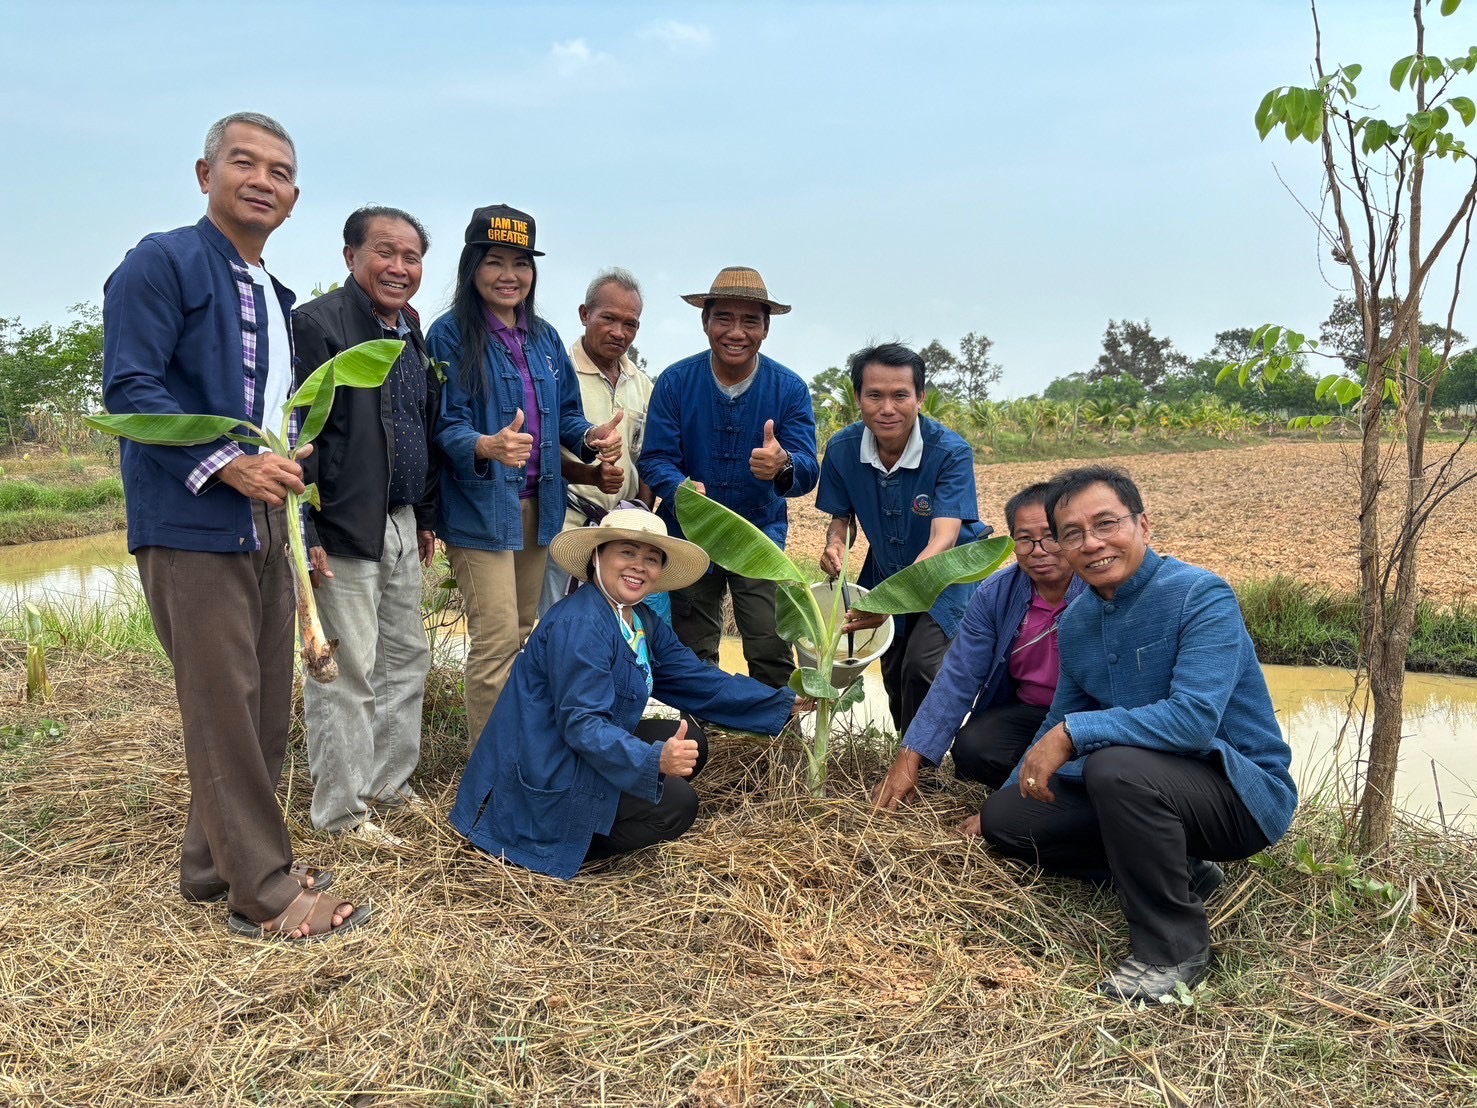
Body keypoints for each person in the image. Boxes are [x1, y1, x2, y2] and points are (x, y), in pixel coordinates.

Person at [101, 112, 368, 940]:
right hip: (191, 521)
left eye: (279, 172)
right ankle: (264, 894)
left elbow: (272, 420)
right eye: (243, 162)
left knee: (258, 708)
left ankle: (213, 866)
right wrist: (229, 464)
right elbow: (132, 389)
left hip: (263, 524)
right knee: (221, 709)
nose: (263, 180)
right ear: (204, 174)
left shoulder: (273, 295)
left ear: (294, 198)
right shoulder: (163, 262)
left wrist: (289, 490)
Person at [976, 466, 1297, 1001]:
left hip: (1237, 793)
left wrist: (1076, 733)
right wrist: (1011, 789)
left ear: (1142, 525)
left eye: (1106, 524)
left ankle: (1173, 950)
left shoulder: (1201, 595)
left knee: (1114, 765)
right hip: (1145, 786)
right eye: (1072, 533)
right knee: (1008, 820)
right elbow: (1058, 718)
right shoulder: (1077, 621)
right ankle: (1184, 872)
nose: (1092, 543)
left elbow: (1194, 720)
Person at [449, 508, 801, 878]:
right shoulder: (581, 624)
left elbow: (696, 679)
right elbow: (582, 725)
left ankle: (597, 814)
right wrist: (652, 761)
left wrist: (782, 703)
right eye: (627, 553)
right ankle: (557, 843)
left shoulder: (640, 618)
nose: (639, 566)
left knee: (691, 741)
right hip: (545, 764)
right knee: (677, 806)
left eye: (652, 559)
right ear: (597, 557)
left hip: (573, 748)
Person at [429, 204, 625, 750]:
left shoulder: (544, 337)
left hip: (541, 507)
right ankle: (487, 772)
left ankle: (514, 754)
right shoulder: (450, 335)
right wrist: (486, 445)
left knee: (520, 633)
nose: (509, 275)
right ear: (472, 266)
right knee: (495, 642)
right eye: (495, 261)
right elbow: (444, 423)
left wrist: (591, 436)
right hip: (480, 507)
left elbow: (566, 414)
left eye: (521, 263)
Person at [290, 205, 438, 846]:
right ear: (350, 256)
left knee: (405, 659)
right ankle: (341, 814)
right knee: (347, 673)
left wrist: (425, 515)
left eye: (411, 257)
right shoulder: (317, 325)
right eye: (385, 252)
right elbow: (298, 433)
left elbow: (416, 427)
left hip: (400, 520)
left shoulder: (412, 330)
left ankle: (387, 785)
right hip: (344, 524)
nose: (399, 267)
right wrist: (307, 529)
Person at [639, 267, 819, 687]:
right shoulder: (675, 382)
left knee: (770, 644)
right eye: (724, 318)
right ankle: (700, 725)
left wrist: (783, 465)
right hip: (690, 534)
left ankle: (775, 723)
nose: (736, 332)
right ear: (705, 322)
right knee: (691, 650)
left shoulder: (790, 389)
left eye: (750, 321)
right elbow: (656, 458)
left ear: (765, 329)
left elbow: (808, 468)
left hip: (759, 536)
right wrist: (679, 488)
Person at [871, 482, 1085, 806]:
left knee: (1098, 764)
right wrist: (908, 756)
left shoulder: (1097, 590)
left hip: (1084, 715)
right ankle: (1043, 785)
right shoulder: (995, 594)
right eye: (1025, 539)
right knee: (972, 749)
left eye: (1050, 536)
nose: (1038, 550)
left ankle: (1063, 789)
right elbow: (959, 676)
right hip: (1029, 710)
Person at [816, 342, 989, 734]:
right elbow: (841, 519)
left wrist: (892, 601)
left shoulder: (950, 452)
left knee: (922, 666)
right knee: (893, 670)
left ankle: (923, 758)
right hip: (885, 569)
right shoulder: (842, 449)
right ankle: (904, 751)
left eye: (900, 395)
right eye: (874, 395)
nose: (887, 408)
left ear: (920, 397)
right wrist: (834, 544)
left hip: (944, 575)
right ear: (857, 397)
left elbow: (944, 539)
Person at [538, 267, 655, 616]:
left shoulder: (642, 385)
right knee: (560, 625)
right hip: (568, 531)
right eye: (608, 318)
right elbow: (539, 455)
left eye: (630, 323)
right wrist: (591, 476)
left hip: (622, 536)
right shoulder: (555, 375)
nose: (619, 332)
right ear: (584, 314)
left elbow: (650, 458)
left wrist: (640, 513)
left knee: (614, 631)